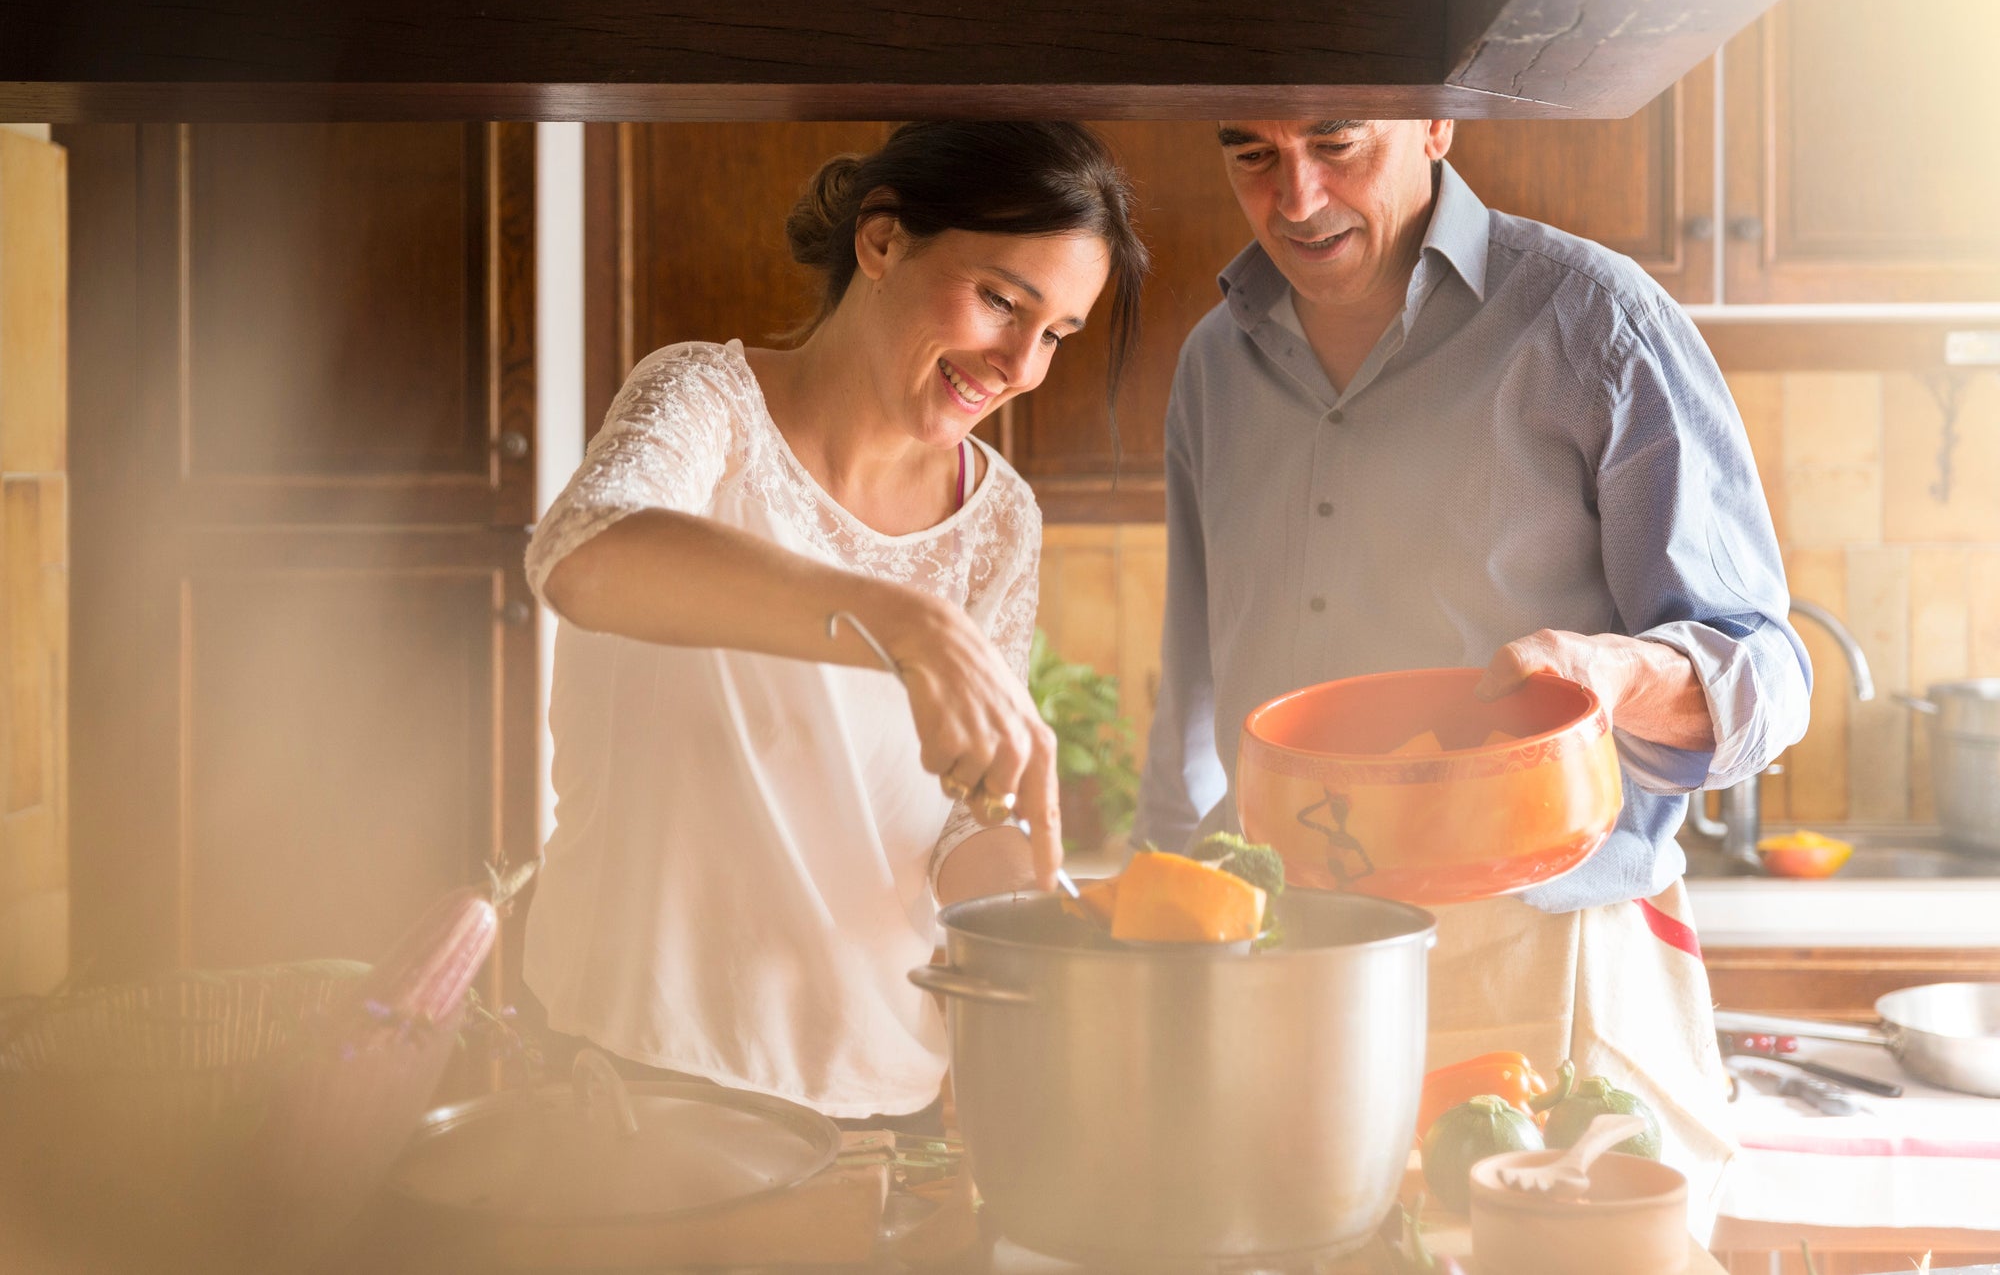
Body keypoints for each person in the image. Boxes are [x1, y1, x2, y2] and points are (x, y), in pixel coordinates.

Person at [1136, 118, 1810, 1235]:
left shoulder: (1591, 321)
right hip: (1288, 960)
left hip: (1539, 962)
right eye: (1248, 150)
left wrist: (1613, 668)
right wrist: (1171, 927)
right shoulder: (1215, 359)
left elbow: (1769, 673)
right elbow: (1194, 694)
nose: (1295, 197)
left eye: (1337, 141)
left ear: (1434, 121)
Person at [521, 122, 1148, 1129]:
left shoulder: (999, 515)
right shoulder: (705, 400)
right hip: (639, 1068)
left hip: (881, 1091)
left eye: (1057, 335)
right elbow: (584, 558)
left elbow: (956, 817)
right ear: (883, 241)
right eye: (1000, 300)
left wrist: (1045, 917)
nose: (1021, 365)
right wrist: (901, 621)